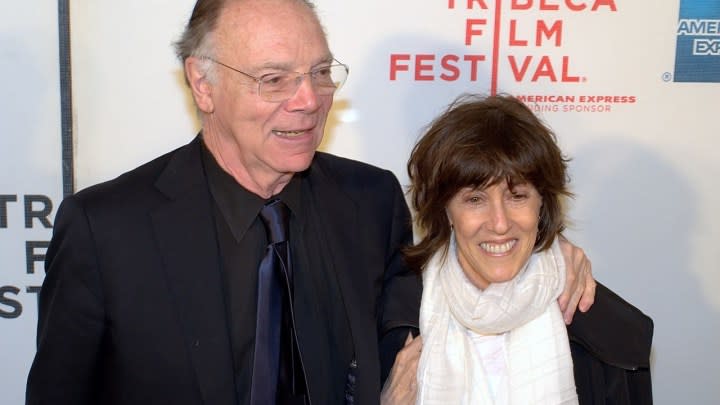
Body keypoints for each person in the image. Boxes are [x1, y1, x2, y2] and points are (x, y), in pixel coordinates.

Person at [26, 1, 595, 404]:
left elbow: (456, 274)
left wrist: (545, 251)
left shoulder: (371, 202)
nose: (308, 101)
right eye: (274, 79)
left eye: (320, 73)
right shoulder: (107, 229)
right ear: (203, 84)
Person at [382, 94, 653, 404]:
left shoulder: (605, 331)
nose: (499, 223)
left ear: (543, 203)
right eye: (475, 199)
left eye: (517, 196)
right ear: (445, 210)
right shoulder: (390, 320)